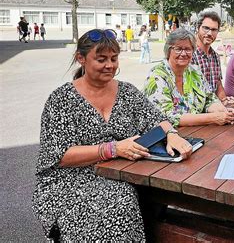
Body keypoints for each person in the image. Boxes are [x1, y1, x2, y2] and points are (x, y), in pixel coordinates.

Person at [32, 29, 193, 241]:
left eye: (114, 58)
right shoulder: (61, 100)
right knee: (117, 202)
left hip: (121, 171)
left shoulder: (127, 92)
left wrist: (171, 134)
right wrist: (112, 149)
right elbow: (59, 156)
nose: (110, 65)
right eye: (101, 59)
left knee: (152, 196)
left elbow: (156, 118)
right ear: (81, 58)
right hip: (72, 178)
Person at [144, 28, 234, 127]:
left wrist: (223, 112)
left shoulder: (195, 71)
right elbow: (167, 117)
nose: (183, 53)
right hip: (169, 136)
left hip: (197, 131)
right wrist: (213, 118)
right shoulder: (157, 76)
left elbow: (210, 99)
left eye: (188, 49)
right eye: (178, 49)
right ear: (168, 51)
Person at [191, 11, 234, 106]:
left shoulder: (215, 56)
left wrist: (225, 101)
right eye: (206, 28)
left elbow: (218, 85)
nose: (209, 33)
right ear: (198, 28)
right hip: (196, 110)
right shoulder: (189, 55)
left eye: (214, 30)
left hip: (214, 107)